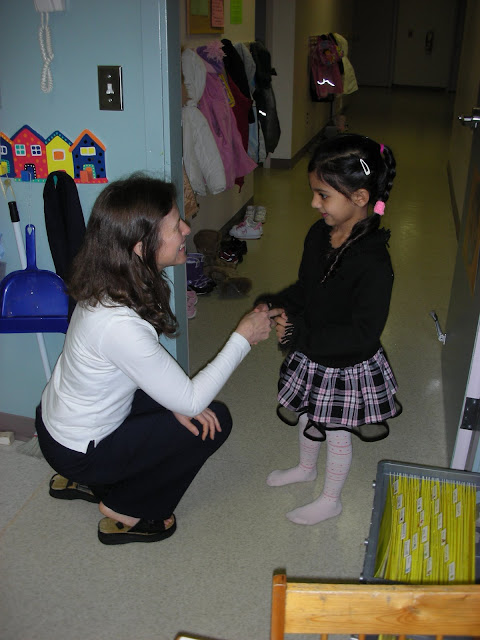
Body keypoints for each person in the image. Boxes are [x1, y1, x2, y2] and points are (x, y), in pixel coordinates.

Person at [35, 173, 279, 545]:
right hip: (77, 450)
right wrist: (242, 338)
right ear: (139, 246)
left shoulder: (108, 280)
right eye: (175, 225)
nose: (186, 228)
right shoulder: (118, 322)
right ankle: (126, 506)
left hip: (62, 426)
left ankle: (88, 478)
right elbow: (192, 398)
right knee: (213, 420)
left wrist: (176, 401)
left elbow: (142, 365)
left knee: (185, 406)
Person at [256, 133, 400, 525]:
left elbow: (364, 334)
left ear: (359, 198)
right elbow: (306, 288)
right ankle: (305, 468)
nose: (313, 204)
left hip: (346, 363)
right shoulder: (319, 234)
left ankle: (331, 498)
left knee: (335, 431)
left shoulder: (373, 263)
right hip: (314, 350)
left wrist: (300, 334)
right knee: (306, 414)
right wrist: (279, 305)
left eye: (323, 195)